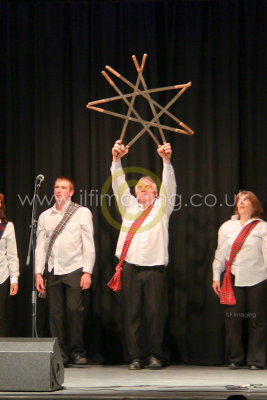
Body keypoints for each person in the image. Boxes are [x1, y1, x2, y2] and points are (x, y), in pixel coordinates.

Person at [109, 140, 176, 370]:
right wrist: (116, 161)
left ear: (155, 193)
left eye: (147, 187)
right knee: (132, 314)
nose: (142, 190)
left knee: (155, 314)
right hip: (130, 267)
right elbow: (119, 184)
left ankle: (155, 355)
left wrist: (166, 161)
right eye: (139, 188)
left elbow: (170, 185)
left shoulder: (162, 207)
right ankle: (135, 356)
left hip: (155, 267)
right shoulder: (128, 207)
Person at [35, 177, 95, 366]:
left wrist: (87, 271)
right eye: (57, 187)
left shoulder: (82, 212)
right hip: (53, 269)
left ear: (71, 192)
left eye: (64, 188)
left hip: (75, 268)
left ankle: (77, 351)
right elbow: (40, 247)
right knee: (55, 313)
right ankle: (60, 353)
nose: (59, 190)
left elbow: (88, 243)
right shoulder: (46, 215)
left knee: (75, 310)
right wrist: (38, 272)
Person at [212, 191, 267, 370]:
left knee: (257, 321)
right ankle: (235, 358)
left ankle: (256, 360)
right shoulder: (227, 226)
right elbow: (220, 254)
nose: (242, 203)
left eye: (246, 200)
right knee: (233, 319)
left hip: (258, 278)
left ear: (254, 205)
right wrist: (215, 276)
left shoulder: (262, 227)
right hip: (233, 277)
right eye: (239, 200)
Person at [0, 193, 19, 336]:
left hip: (2, 275)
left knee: (0, 317)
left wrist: (14, 279)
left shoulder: (7, 226)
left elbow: (12, 256)